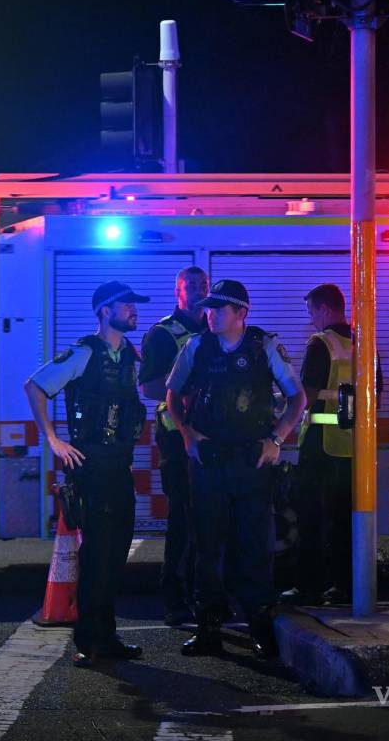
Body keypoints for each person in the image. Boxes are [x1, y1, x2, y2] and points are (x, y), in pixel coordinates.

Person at [165, 279, 306, 658]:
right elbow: (172, 393)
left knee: (254, 545)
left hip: (250, 460)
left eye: (218, 309)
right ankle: (208, 628)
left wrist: (276, 440)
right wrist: (187, 434)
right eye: (207, 308)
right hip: (209, 461)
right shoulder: (198, 346)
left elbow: (297, 398)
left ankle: (260, 626)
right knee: (207, 544)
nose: (209, 314)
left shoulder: (264, 346)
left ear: (241, 313)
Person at [23, 281, 149, 668]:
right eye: (126, 305)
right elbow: (35, 386)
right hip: (90, 465)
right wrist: (53, 440)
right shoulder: (82, 353)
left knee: (115, 553)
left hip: (118, 465)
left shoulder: (129, 354)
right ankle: (90, 642)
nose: (133, 310)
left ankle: (106, 638)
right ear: (104, 311)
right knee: (96, 556)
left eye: (133, 305)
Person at [138, 265, 208, 627]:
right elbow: (149, 388)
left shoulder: (217, 330)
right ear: (178, 291)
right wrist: (184, 383)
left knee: (210, 520)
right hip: (177, 438)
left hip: (214, 440)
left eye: (202, 285)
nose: (197, 290)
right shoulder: (163, 334)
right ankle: (175, 598)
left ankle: (206, 596)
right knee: (182, 518)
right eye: (190, 285)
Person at [286, 283, 354, 606]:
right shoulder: (365, 343)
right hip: (354, 449)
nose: (311, 319)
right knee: (345, 521)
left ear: (325, 309)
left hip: (319, 447)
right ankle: (344, 586)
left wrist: (281, 416)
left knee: (310, 519)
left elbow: (306, 397)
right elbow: (375, 398)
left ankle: (308, 586)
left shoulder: (320, 344)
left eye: (312, 311)